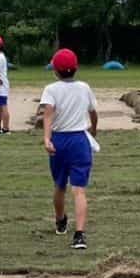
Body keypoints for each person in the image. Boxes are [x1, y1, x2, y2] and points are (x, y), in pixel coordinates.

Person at [40, 48, 98, 250]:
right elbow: (93, 113)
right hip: (79, 140)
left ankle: (60, 220)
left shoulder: (51, 89)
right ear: (76, 68)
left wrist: (47, 139)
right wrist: (94, 131)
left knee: (59, 185)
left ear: (55, 70)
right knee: (79, 191)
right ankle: (80, 235)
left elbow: (48, 115)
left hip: (59, 140)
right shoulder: (84, 87)